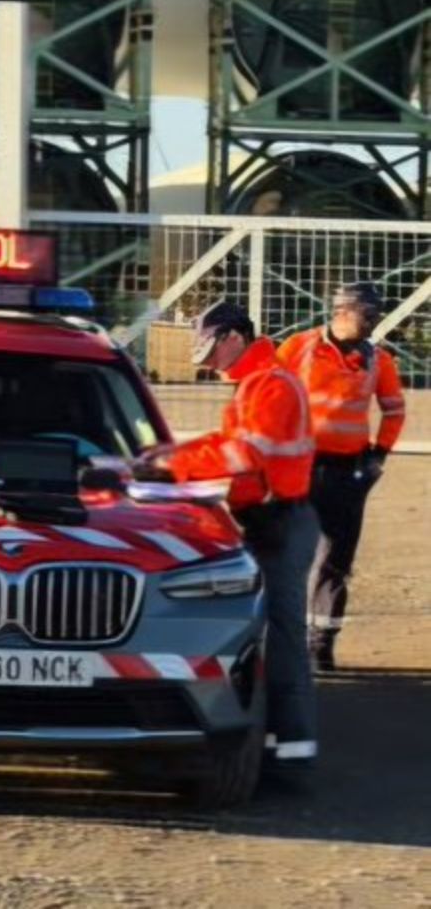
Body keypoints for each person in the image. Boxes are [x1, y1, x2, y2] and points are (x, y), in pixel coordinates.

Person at [139, 301, 320, 768]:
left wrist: (171, 466)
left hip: (281, 522)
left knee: (281, 636)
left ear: (233, 338)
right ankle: (278, 743)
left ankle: (292, 751)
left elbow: (243, 454)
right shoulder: (257, 384)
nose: (210, 364)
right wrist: (167, 453)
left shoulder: (271, 386)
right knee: (264, 631)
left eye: (211, 351)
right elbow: (224, 444)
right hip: (270, 520)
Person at [277, 283, 407, 672]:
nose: (375, 323)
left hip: (346, 473)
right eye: (370, 315)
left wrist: (377, 457)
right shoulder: (296, 348)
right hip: (297, 467)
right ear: (344, 311)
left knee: (335, 561)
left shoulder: (378, 360)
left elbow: (394, 411)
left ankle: (320, 646)